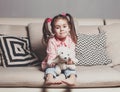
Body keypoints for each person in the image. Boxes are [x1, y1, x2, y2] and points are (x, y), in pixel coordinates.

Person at [41, 13, 78, 86]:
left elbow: (71, 52)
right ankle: (49, 78)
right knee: (50, 69)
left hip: (66, 63)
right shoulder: (52, 41)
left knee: (71, 70)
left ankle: (72, 79)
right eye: (58, 27)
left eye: (64, 26)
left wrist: (71, 60)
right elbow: (51, 53)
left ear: (69, 28)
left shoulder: (71, 40)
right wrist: (52, 61)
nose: (61, 29)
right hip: (55, 63)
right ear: (53, 30)